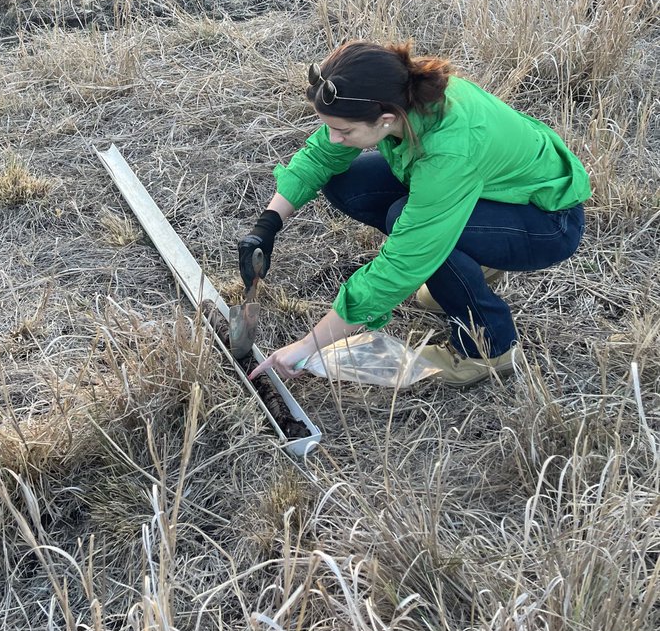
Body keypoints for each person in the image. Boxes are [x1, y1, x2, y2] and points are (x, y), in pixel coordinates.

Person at [244, 40, 590, 387]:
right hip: (490, 193)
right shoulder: (396, 92)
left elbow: (405, 260)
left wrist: (308, 345)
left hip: (546, 221)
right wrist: (268, 223)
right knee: (345, 182)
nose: (334, 138)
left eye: (344, 131)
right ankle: (470, 267)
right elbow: (321, 157)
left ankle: (490, 347)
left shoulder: (450, 150)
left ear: (386, 119)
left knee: (409, 226)